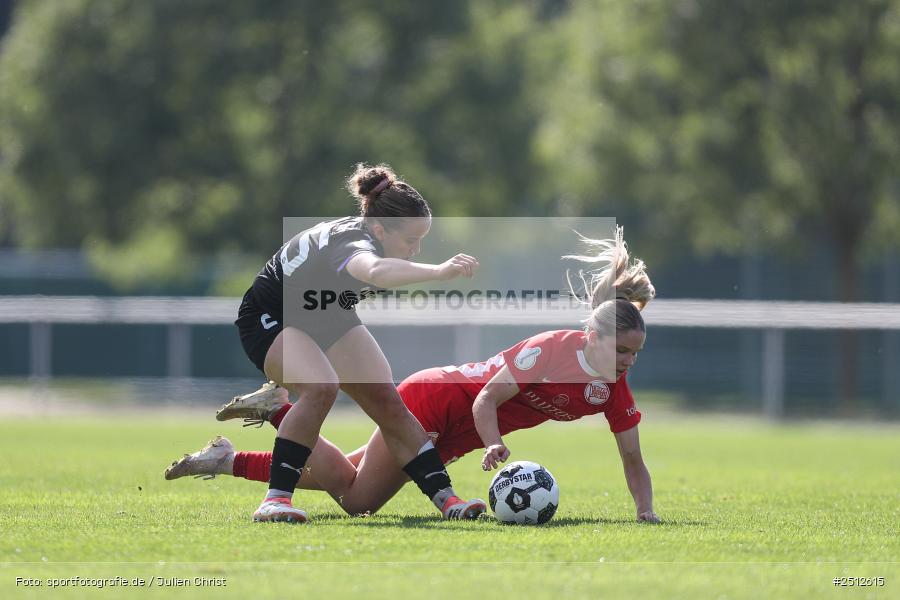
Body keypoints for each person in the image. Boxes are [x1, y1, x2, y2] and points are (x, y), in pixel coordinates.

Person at [167, 227, 661, 523]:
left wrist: (646, 513)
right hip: (438, 401)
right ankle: (277, 418)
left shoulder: (612, 388)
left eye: (635, 353)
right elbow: (485, 399)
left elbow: (632, 457)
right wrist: (494, 443)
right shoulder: (550, 350)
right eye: (622, 350)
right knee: (358, 500)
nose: (628, 361)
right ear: (592, 337)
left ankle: (229, 456)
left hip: (457, 433)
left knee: (343, 473)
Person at [230, 162, 485, 523]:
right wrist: (439, 271)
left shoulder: (369, 234)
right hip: (271, 317)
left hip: (324, 312)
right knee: (321, 387)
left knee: (389, 404)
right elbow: (376, 271)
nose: (415, 250)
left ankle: (448, 501)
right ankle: (275, 501)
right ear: (379, 229)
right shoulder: (354, 242)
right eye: (410, 240)